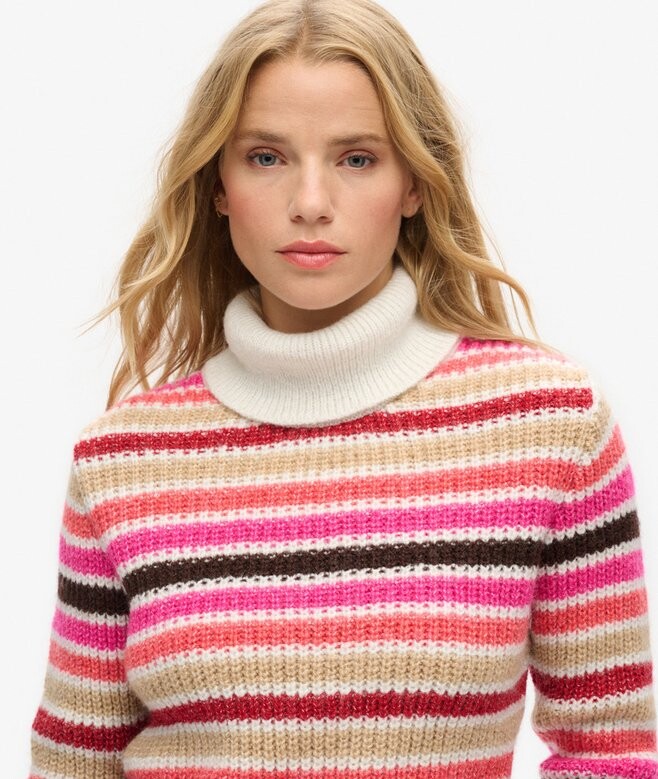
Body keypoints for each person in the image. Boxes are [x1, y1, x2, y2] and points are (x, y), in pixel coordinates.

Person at [28, 0, 657, 777]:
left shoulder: (551, 425)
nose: (310, 202)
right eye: (266, 157)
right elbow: (73, 764)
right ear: (218, 183)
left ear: (415, 182)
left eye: (357, 159)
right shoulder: (121, 460)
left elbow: (613, 753)